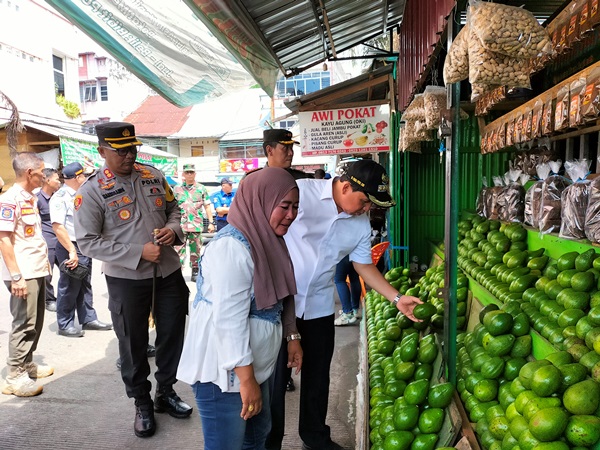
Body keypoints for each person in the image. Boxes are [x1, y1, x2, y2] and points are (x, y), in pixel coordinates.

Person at [276, 159, 422, 450]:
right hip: (280, 302)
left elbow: (363, 266)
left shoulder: (358, 222)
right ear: (345, 187)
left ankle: (315, 436)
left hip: (318, 307)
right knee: (274, 378)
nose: (367, 209)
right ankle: (268, 441)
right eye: (365, 201)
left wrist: (396, 298)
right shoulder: (299, 194)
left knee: (318, 377)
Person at [74, 122, 192, 438]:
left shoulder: (153, 175)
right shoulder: (92, 190)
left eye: (133, 148)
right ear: (102, 152)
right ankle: (141, 402)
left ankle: (165, 392)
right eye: (121, 150)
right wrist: (138, 252)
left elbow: (174, 210)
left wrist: (173, 229)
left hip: (167, 271)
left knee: (172, 335)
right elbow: (87, 241)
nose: (130, 155)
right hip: (127, 279)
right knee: (133, 342)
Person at [177, 167, 303, 450]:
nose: (291, 214)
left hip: (253, 369)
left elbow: (282, 296)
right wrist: (246, 381)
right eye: (284, 206)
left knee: (257, 439)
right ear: (261, 201)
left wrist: (291, 337)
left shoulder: (269, 241)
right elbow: (229, 321)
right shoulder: (232, 248)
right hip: (226, 375)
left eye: (295, 207)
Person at [0, 152, 54, 397]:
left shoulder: (29, 197)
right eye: (42, 171)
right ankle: (14, 375)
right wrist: (16, 276)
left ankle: (27, 364)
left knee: (36, 321)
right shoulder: (10, 199)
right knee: (24, 323)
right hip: (23, 272)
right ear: (30, 172)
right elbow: (4, 240)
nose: (45, 175)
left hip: (36, 268)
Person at [50, 162, 112, 337]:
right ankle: (65, 323)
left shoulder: (81, 194)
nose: (86, 178)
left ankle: (88, 319)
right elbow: (58, 226)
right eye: (84, 175)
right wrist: (71, 251)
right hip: (70, 245)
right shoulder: (61, 197)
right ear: (78, 177)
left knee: (85, 283)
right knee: (69, 285)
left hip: (84, 244)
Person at [174, 163, 214, 282]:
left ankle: (195, 270)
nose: (189, 174)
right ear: (183, 174)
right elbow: (171, 207)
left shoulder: (201, 188)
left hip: (196, 225)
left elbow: (207, 206)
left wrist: (211, 222)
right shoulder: (177, 189)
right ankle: (177, 272)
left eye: (191, 172)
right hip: (180, 225)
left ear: (195, 174)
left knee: (195, 250)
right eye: (187, 172)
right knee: (177, 250)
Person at [37, 167, 61, 312]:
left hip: (62, 240)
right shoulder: (37, 200)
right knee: (47, 274)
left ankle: (66, 297)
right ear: (47, 180)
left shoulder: (58, 197)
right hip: (47, 242)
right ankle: (49, 299)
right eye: (57, 179)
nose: (59, 181)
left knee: (70, 272)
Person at [333, 255, 362, 326]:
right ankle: (355, 310)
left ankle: (347, 313)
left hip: (341, 252)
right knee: (354, 279)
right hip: (354, 252)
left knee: (339, 280)